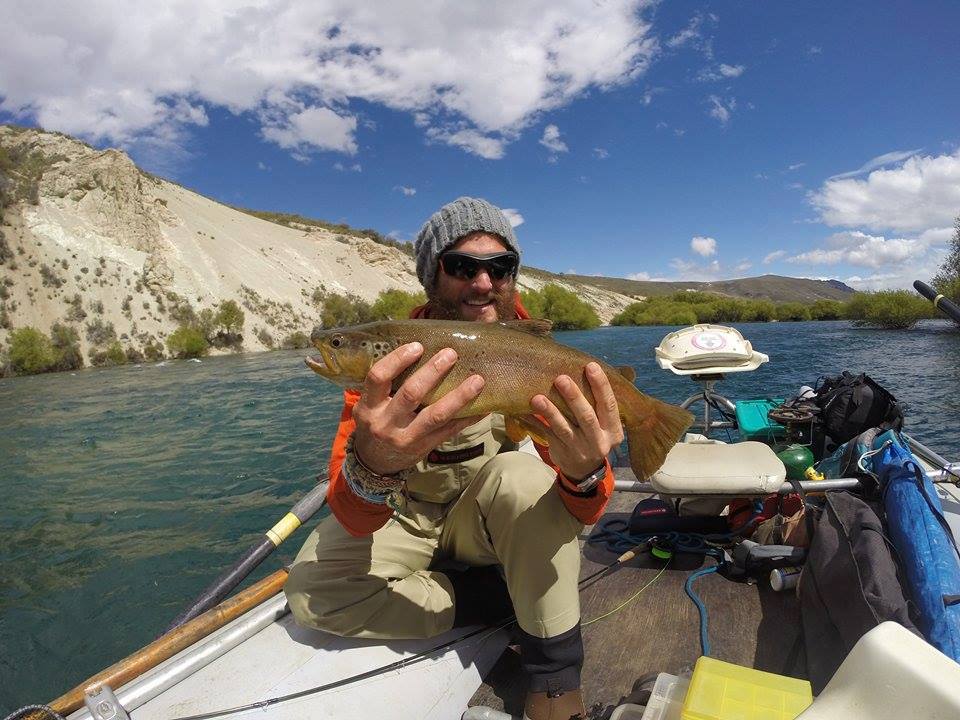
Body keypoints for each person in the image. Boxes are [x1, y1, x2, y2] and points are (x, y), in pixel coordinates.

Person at [285, 197, 623, 720]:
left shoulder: (543, 357)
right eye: (462, 266)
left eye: (500, 267)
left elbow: (588, 510)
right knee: (312, 592)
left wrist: (585, 473)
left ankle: (556, 682)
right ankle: (497, 598)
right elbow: (353, 516)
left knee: (522, 475)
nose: (483, 282)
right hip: (405, 518)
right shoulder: (390, 358)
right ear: (432, 276)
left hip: (492, 523)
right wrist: (373, 463)